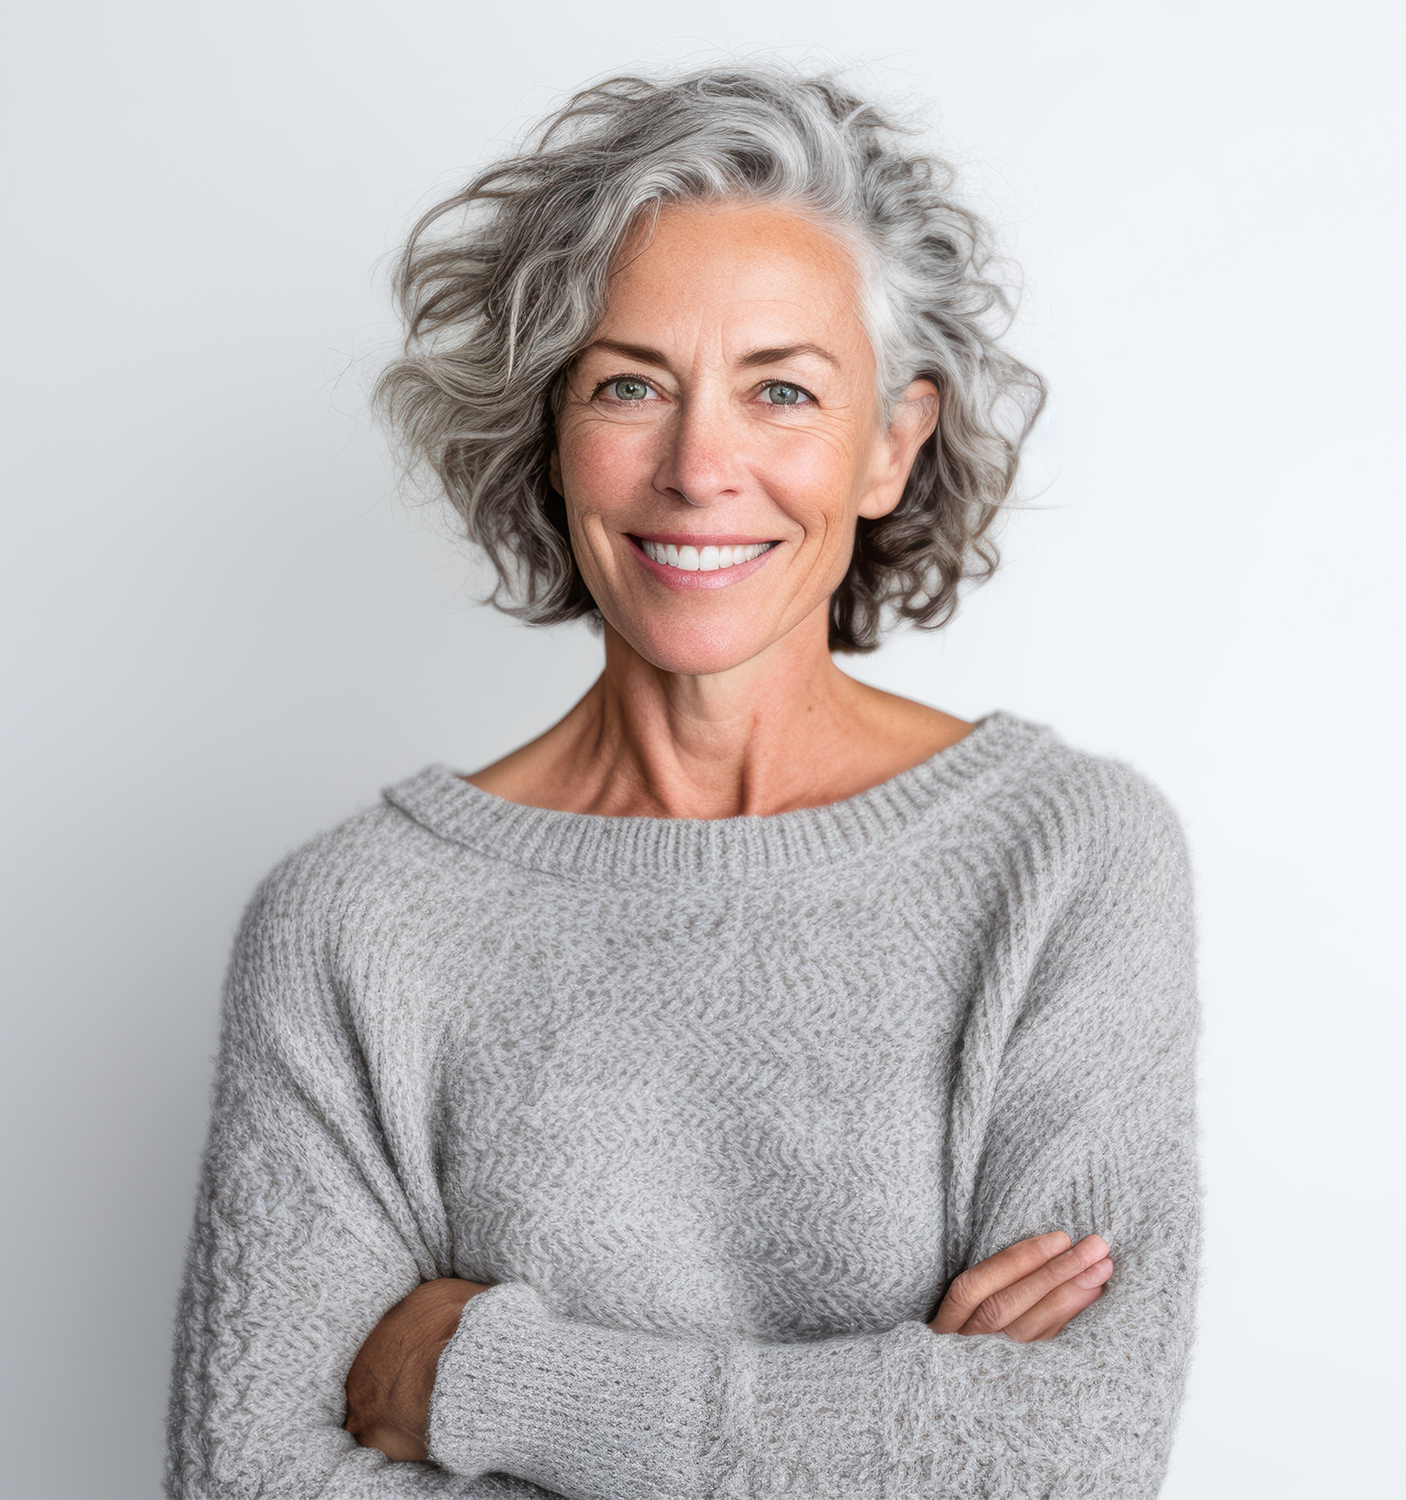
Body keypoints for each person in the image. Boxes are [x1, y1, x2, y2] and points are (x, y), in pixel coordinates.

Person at [163, 65, 1201, 1500]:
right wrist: (900, 1427)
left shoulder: (1068, 862)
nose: (700, 466)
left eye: (781, 389)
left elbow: (1066, 1459)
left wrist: (482, 1381)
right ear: (551, 431)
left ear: (891, 442)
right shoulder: (354, 923)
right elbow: (252, 1481)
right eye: (631, 385)